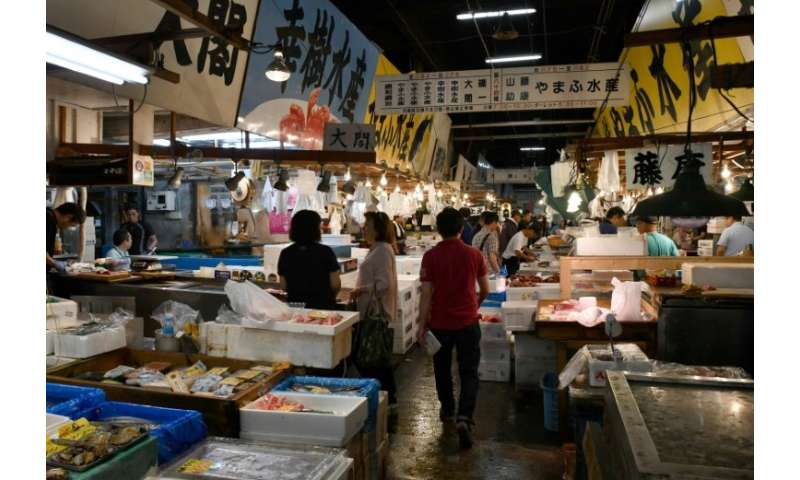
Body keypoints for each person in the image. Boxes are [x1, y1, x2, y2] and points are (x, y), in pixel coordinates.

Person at [418, 208, 489, 449]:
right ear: (462, 228)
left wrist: (420, 325)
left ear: (438, 229)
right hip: (468, 322)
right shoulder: (474, 254)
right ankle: (464, 417)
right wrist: (473, 306)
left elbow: (426, 295)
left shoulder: (430, 257)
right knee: (469, 371)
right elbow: (485, 289)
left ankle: (448, 410)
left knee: (442, 369)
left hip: (439, 323)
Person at [350, 212, 399, 409]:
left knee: (373, 358)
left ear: (377, 228)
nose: (364, 228)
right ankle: (385, 397)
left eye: (367, 225)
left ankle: (388, 398)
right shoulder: (378, 249)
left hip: (376, 313)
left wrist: (361, 290)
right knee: (375, 358)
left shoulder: (382, 251)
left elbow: (384, 284)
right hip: (372, 311)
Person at [278, 210, 342, 310]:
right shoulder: (326, 252)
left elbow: (283, 285)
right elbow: (335, 284)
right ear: (315, 229)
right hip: (322, 306)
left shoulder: (285, 253)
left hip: (295, 307)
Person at [47, 202, 86, 272]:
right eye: (72, 225)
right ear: (68, 217)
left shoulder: (52, 220)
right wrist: (55, 263)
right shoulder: (47, 219)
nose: (68, 228)